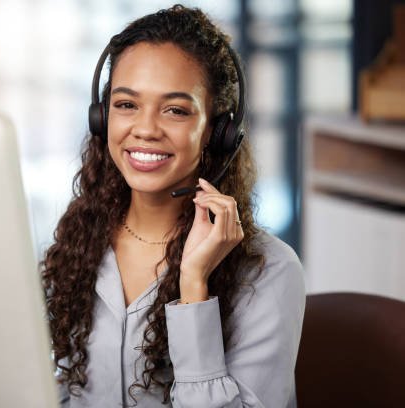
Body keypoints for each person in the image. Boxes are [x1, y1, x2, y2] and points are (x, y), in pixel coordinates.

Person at [41, 5, 305, 408]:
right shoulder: (74, 246)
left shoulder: (268, 271)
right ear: (101, 117)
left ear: (219, 132)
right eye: (126, 104)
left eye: (176, 110)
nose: (145, 129)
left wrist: (194, 285)